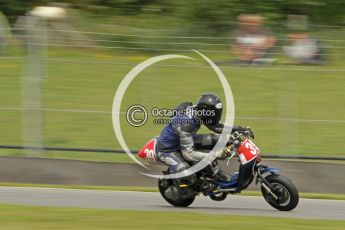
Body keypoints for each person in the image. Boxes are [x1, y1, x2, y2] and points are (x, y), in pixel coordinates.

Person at [156, 93, 253, 188]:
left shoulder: (201, 112)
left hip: (185, 140)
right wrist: (216, 154)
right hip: (168, 150)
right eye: (215, 113)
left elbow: (217, 127)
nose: (216, 116)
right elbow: (189, 154)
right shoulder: (187, 123)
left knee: (220, 139)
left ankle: (217, 174)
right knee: (190, 177)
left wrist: (240, 129)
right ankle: (183, 185)